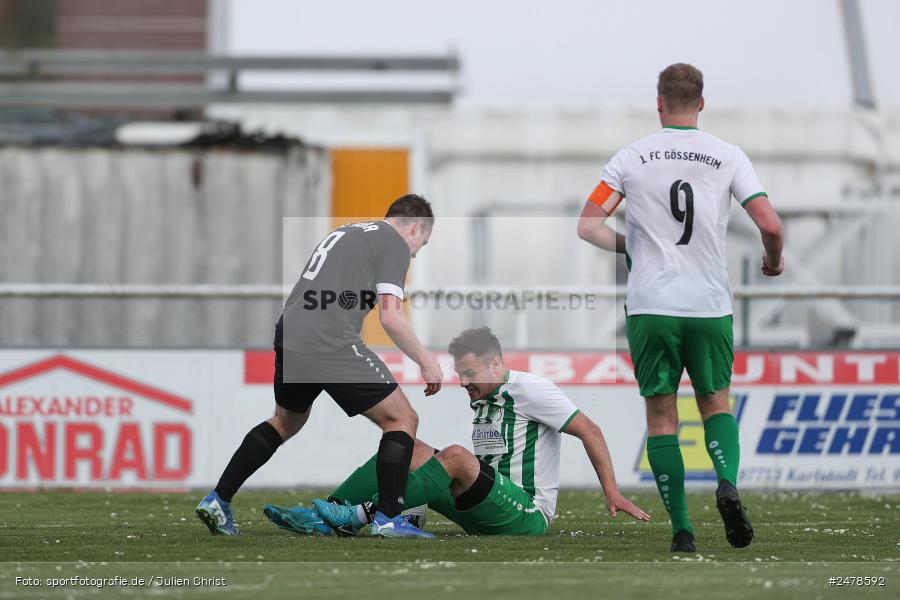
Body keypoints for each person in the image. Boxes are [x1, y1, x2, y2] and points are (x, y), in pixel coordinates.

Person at [576, 63, 785, 552]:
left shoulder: (631, 158)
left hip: (651, 304)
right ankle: (728, 483)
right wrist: (773, 260)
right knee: (716, 403)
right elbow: (770, 225)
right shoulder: (728, 156)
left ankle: (682, 533)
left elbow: (587, 225)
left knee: (662, 418)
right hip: (709, 303)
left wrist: (633, 245)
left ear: (658, 103)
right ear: (702, 103)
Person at [195, 194, 443, 539]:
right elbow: (391, 316)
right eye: (422, 244)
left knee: (286, 420)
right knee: (403, 418)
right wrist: (427, 362)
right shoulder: (394, 242)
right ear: (416, 227)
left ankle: (218, 499)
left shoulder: (348, 232)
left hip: (291, 331)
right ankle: (389, 518)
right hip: (328, 338)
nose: (415, 253)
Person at [262, 326, 649, 537]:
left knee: (457, 456)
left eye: (470, 373)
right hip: (480, 508)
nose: (462, 382)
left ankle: (365, 515)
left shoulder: (530, 389)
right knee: (402, 447)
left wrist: (612, 491)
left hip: (526, 515)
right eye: (460, 374)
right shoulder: (485, 395)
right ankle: (325, 518)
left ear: (496, 363)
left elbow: (591, 430)